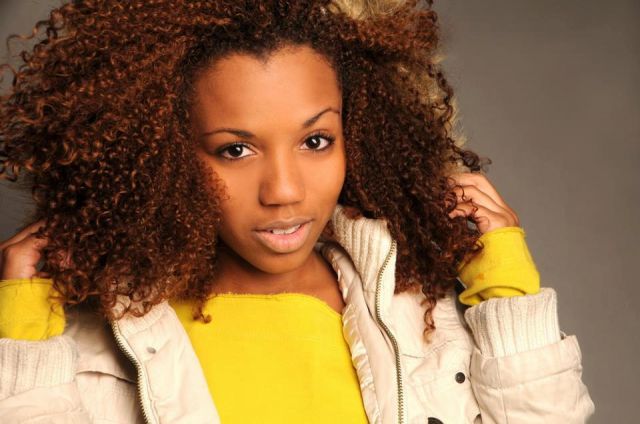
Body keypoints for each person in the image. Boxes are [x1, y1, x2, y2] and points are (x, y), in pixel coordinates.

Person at [0, 0, 594, 422]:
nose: (284, 190)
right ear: (163, 155)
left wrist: (507, 292)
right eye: (235, 150)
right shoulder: (94, 344)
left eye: (315, 141)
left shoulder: (420, 314)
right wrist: (23, 341)